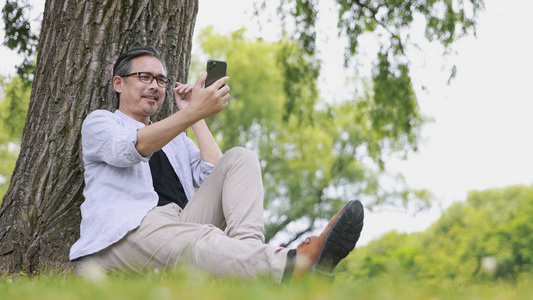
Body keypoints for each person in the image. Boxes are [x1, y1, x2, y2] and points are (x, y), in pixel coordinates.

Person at [69, 45, 364, 283]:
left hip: (175, 224)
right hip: (124, 235)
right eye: (145, 77)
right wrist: (190, 113)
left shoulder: (175, 139)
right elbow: (132, 148)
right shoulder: (101, 122)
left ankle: (251, 268)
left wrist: (195, 116)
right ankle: (293, 264)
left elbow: (217, 174)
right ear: (119, 83)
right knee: (200, 239)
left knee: (241, 158)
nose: (154, 86)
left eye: (160, 80)